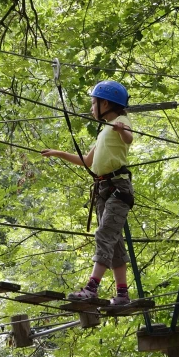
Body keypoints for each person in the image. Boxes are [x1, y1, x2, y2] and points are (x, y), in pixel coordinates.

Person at [41, 81, 135, 306]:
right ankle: (122, 293)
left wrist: (122, 132)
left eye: (93, 103)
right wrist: (59, 153)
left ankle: (92, 288)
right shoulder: (105, 131)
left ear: (105, 103)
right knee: (114, 241)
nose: (91, 108)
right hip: (105, 190)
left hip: (118, 189)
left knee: (104, 235)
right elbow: (88, 160)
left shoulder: (120, 122)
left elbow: (129, 138)